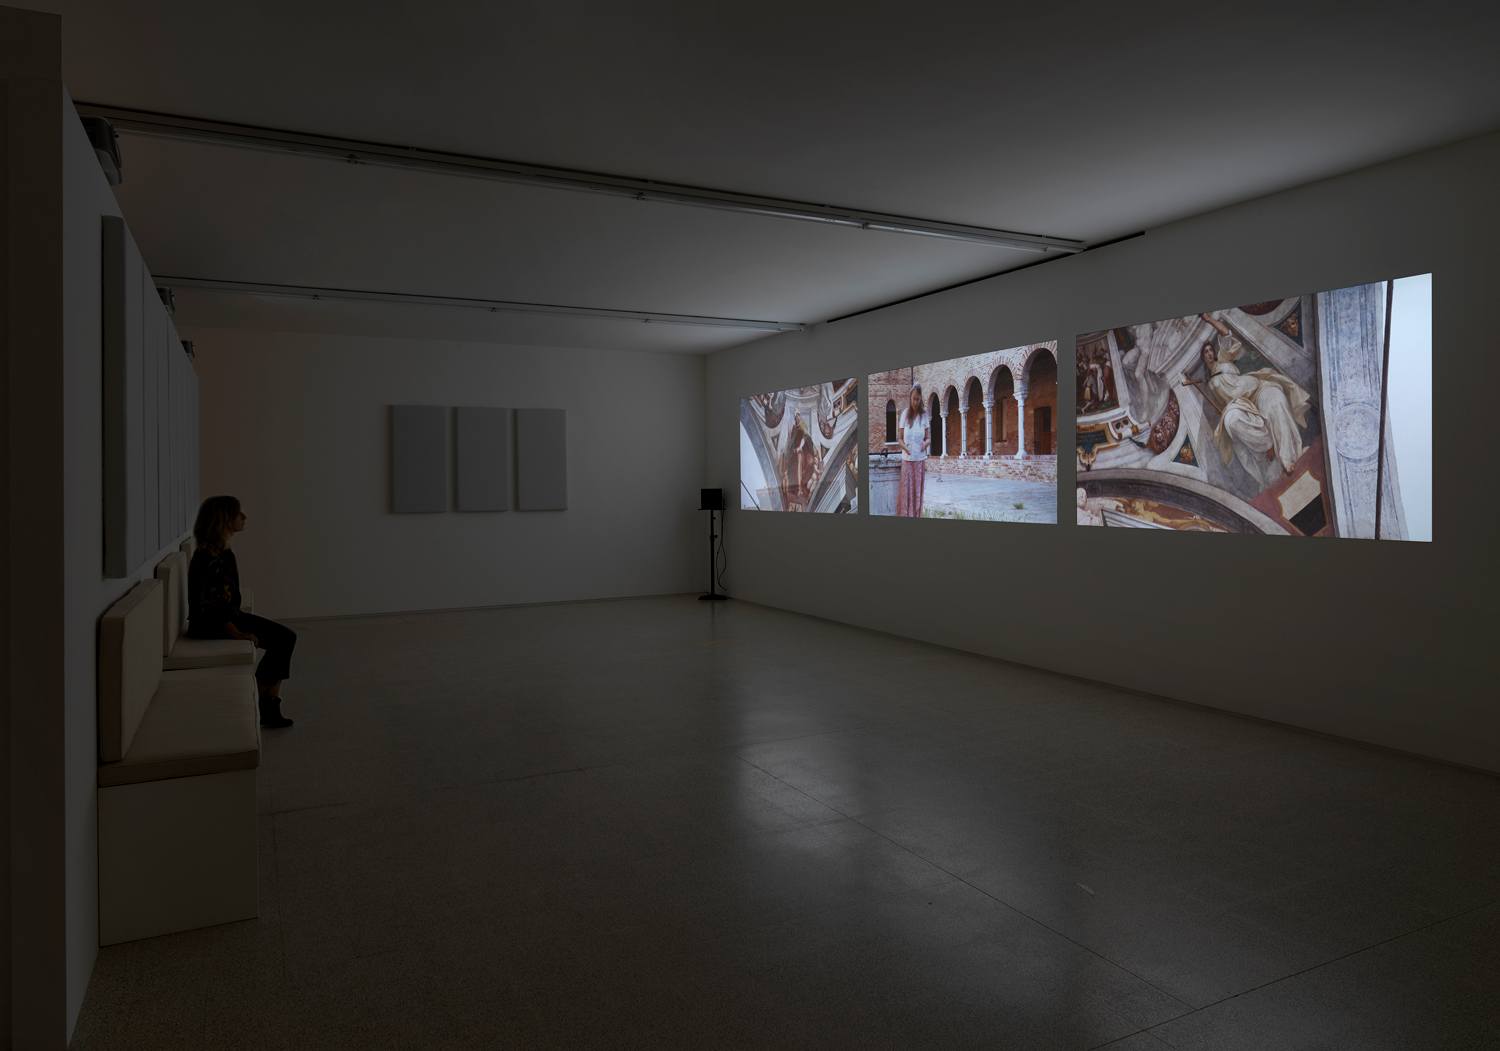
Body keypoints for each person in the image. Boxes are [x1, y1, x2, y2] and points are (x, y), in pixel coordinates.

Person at [187, 495, 298, 728]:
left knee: (285, 638)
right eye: (239, 513)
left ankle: (266, 702)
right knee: (284, 638)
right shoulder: (210, 559)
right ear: (225, 519)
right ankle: (263, 702)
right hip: (213, 625)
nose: (244, 517)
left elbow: (224, 604)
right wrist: (238, 634)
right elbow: (213, 609)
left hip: (227, 617)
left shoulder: (222, 554)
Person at [1194, 313, 1311, 487]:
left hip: (1258, 390)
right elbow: (1221, 406)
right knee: (1231, 421)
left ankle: (1288, 458)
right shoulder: (1210, 384)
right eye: (1206, 352)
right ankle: (1267, 445)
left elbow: (1226, 334)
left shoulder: (1224, 359)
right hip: (1240, 405)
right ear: (1203, 358)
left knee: (1276, 402)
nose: (1210, 353)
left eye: (1211, 350)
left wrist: (1209, 320)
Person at [896, 385, 929, 517]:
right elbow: (899, 439)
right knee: (906, 492)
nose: (916, 402)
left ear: (921, 399)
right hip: (907, 460)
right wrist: (907, 449)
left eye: (918, 399)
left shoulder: (924, 415)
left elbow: (929, 438)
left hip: (920, 460)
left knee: (917, 492)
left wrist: (924, 445)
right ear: (910, 398)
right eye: (914, 399)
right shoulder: (904, 414)